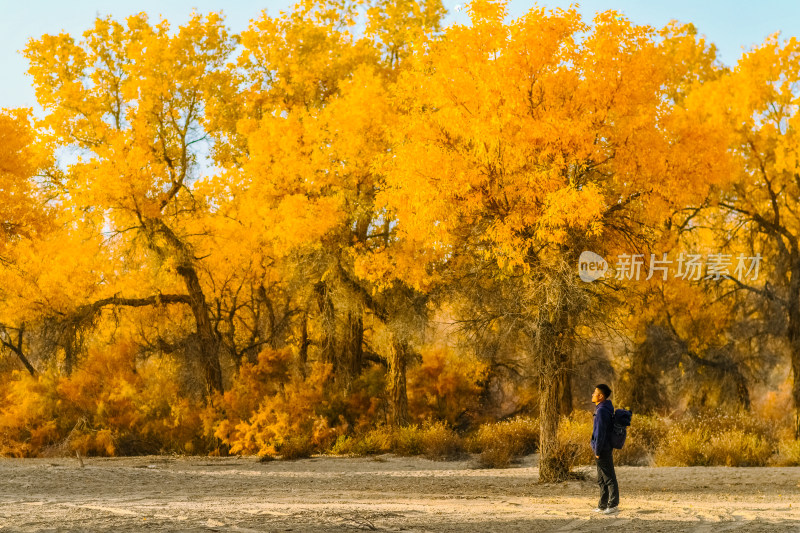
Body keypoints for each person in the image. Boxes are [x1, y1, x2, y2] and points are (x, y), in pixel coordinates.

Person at [590, 384, 619, 515]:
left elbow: (600, 433)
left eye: (595, 392)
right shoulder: (603, 408)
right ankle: (602, 505)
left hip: (602, 449)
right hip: (602, 448)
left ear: (600, 396)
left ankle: (612, 505)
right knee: (601, 479)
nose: (592, 394)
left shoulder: (601, 411)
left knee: (609, 478)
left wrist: (597, 451)